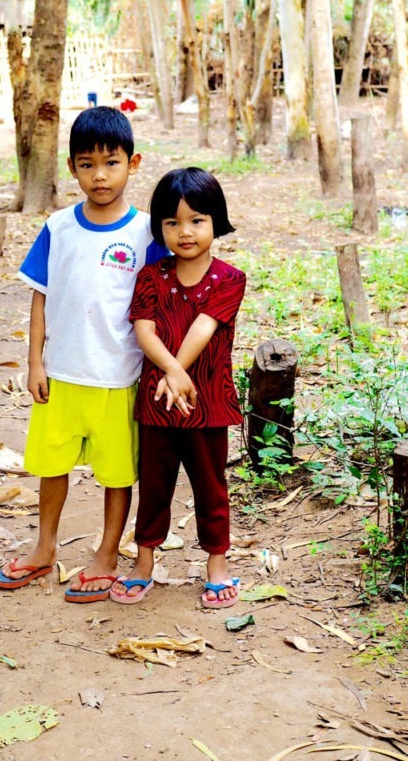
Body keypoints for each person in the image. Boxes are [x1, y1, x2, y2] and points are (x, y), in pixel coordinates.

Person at [0, 106, 166, 602]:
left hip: (119, 376)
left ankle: (107, 553)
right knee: (52, 466)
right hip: (62, 373)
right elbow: (40, 296)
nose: (99, 175)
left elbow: (161, 303)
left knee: (117, 473)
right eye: (87, 164)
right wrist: (35, 361)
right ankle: (44, 547)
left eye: (111, 163)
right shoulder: (59, 227)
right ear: (71, 168)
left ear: (133, 164)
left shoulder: (147, 232)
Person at [109, 167, 246, 608]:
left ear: (216, 221)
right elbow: (144, 331)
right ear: (160, 227)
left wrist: (176, 372)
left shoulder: (229, 278)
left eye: (196, 220)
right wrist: (173, 372)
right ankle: (143, 563)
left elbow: (205, 326)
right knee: (154, 487)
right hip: (157, 405)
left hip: (209, 404)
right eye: (172, 222)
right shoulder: (150, 276)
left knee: (211, 487)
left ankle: (217, 566)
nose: (185, 231)